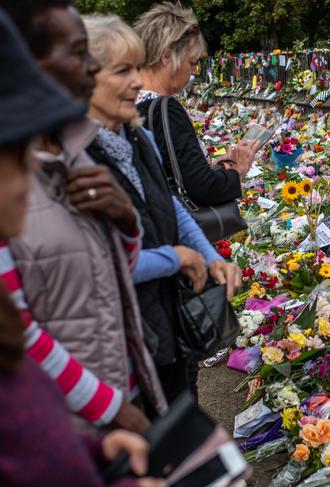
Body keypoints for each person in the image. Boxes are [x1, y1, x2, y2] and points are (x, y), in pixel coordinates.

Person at [0, 9, 163, 486]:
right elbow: (19, 328)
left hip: (105, 398)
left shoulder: (73, 155)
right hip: (72, 413)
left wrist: (126, 222)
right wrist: (110, 409)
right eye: (78, 54)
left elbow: (116, 273)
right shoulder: (31, 171)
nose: (90, 67)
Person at [82, 14, 243, 401]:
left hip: (163, 314)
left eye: (136, 68)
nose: (138, 82)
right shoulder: (75, 158)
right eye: (123, 71)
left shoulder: (136, 136)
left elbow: (168, 204)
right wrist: (175, 257)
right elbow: (100, 259)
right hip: (119, 331)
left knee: (182, 405)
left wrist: (208, 257)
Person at [134, 1, 258, 206]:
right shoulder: (164, 110)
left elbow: (174, 172)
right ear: (167, 56)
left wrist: (218, 166)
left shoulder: (125, 102)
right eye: (191, 62)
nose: (193, 71)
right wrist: (237, 170)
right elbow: (202, 188)